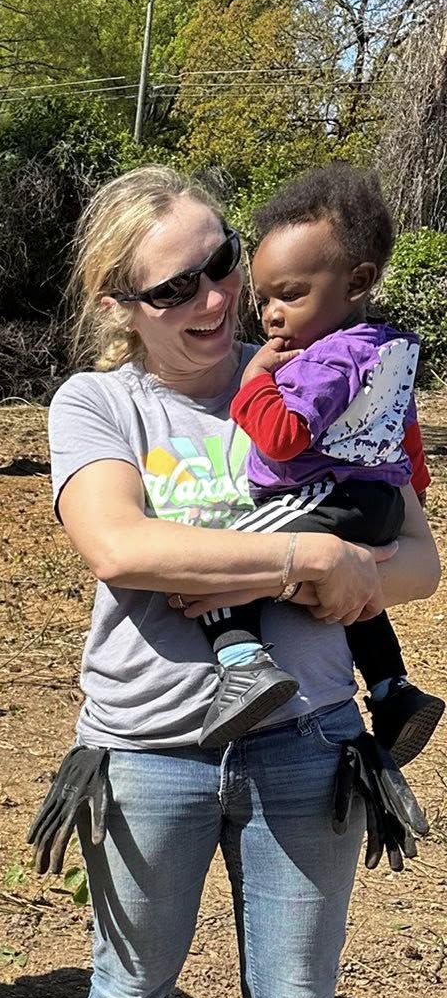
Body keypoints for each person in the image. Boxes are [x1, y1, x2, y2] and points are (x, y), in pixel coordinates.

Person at [34, 165, 439, 998]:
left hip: (307, 740)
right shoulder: (98, 407)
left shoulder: (336, 373)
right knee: (128, 986)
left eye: (224, 264)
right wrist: (308, 562)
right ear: (122, 301)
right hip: (148, 743)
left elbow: (414, 557)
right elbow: (119, 546)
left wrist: (354, 568)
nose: (217, 299)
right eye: (179, 286)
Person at [189, 163, 443, 759]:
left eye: (291, 294)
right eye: (265, 298)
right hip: (375, 503)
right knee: (350, 597)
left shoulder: (327, 360)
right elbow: (408, 443)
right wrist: (408, 498)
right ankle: (391, 689)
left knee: (223, 551)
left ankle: (243, 662)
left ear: (356, 281)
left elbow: (280, 436)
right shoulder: (385, 351)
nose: (272, 314)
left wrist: (253, 382)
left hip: (326, 496)